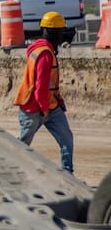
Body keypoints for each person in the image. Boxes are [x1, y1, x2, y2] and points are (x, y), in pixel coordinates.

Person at [15, 11, 75, 173]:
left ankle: (68, 174)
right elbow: (41, 85)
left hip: (50, 105)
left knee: (66, 139)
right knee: (21, 144)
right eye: (61, 31)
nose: (63, 35)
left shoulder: (44, 50)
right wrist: (43, 109)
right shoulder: (44, 54)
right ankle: (12, 170)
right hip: (35, 108)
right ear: (53, 33)